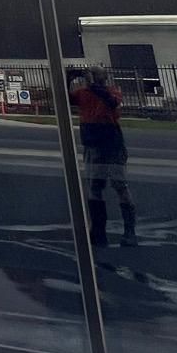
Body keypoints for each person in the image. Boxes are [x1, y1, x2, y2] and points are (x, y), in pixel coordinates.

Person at [69, 66, 136, 247]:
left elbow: (111, 102)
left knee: (120, 185)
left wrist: (90, 84)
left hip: (111, 143)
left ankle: (130, 231)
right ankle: (98, 231)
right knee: (94, 186)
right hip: (93, 144)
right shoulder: (83, 93)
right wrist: (68, 77)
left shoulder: (111, 91)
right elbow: (65, 99)